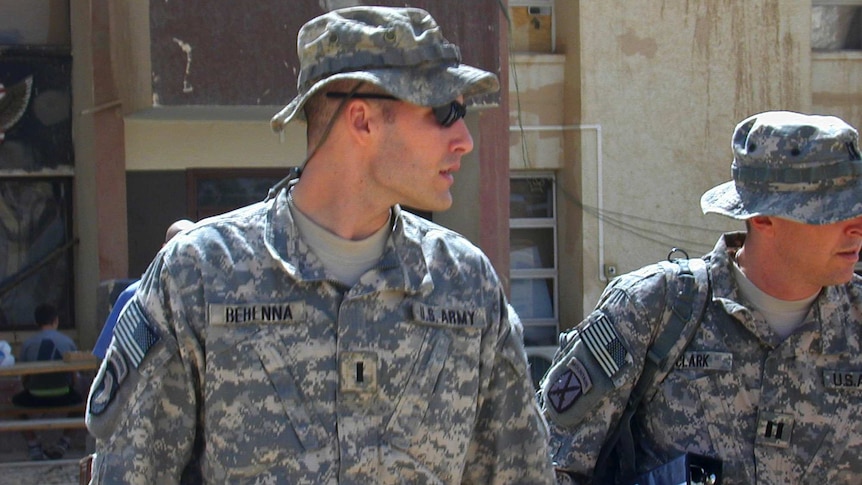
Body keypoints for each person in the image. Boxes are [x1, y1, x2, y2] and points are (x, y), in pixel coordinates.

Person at [86, 6, 554, 484]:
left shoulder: (465, 283)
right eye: (445, 112)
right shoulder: (198, 277)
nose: (465, 140)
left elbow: (522, 474)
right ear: (362, 120)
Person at [541, 110, 862, 484]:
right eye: (835, 212)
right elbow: (547, 463)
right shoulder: (653, 310)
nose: (856, 226)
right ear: (763, 218)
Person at [92, 219, 194, 359]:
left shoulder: (210, 296)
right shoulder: (137, 295)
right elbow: (110, 354)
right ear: (164, 248)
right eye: (177, 247)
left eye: (189, 248)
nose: (182, 255)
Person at [13, 303, 82, 460]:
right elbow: (74, 376)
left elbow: (23, 376)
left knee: (14, 404)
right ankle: (64, 442)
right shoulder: (68, 342)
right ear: (56, 320)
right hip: (63, 393)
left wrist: (30, 387)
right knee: (82, 402)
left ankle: (33, 443)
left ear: (37, 323)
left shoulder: (28, 344)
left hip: (35, 395)